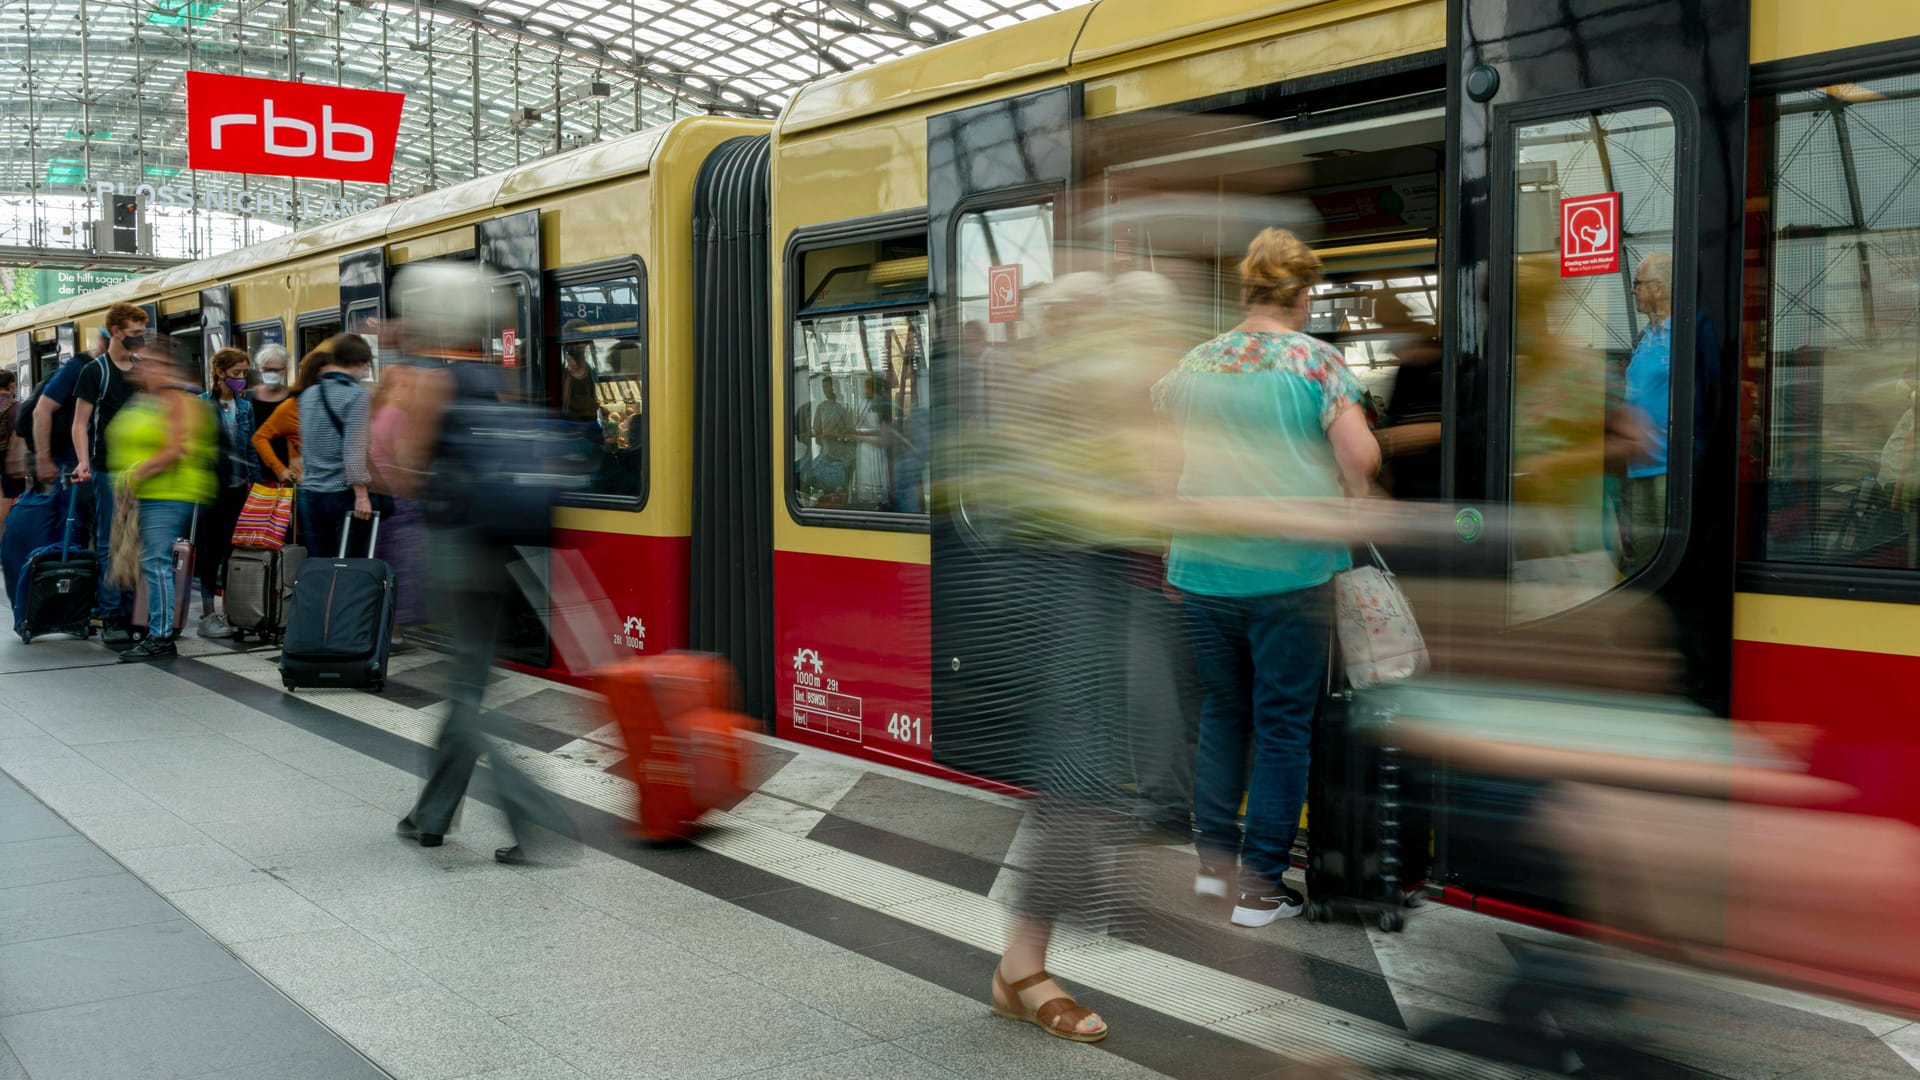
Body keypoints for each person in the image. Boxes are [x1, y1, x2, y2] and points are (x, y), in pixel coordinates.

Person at [1153, 227, 1379, 927]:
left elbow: (1160, 455)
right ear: (1302, 294)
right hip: (1290, 570)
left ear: (1247, 290)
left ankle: (1214, 875)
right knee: (1284, 726)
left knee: (1224, 716)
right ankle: (1260, 887)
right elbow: (1361, 458)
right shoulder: (1318, 364)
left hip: (1203, 571)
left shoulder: (1196, 363)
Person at [390, 261, 572, 865]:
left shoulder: (427, 380)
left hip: (455, 548)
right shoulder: (489, 374)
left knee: (467, 699)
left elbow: (402, 469)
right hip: (500, 546)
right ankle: (431, 816)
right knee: (467, 684)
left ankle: (535, 816)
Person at [110, 338, 217, 662]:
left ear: (167, 367)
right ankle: (156, 629)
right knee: (151, 562)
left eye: (149, 362)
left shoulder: (175, 401)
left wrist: (134, 476)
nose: (141, 367)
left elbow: (175, 450)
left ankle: (160, 636)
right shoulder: (148, 399)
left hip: (169, 491)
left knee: (156, 562)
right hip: (151, 491)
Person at [68, 304, 148, 643]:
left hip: (141, 469)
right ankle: (111, 613)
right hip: (105, 468)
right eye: (134, 334)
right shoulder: (95, 372)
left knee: (137, 540)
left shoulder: (142, 370)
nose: (139, 340)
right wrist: (83, 461)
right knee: (109, 541)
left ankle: (134, 610)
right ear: (115, 331)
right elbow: (80, 423)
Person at [192, 347, 257, 638]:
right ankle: (208, 614)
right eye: (236, 374)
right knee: (211, 552)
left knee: (233, 550)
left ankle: (231, 612)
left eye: (244, 373)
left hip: (238, 488)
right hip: (210, 489)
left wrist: (254, 481)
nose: (241, 379)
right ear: (220, 373)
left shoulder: (245, 408)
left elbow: (252, 447)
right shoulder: (201, 405)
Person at [293, 335, 374, 559]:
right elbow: (353, 447)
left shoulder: (308, 395)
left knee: (320, 561)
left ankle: (321, 595)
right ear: (358, 362)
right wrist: (361, 494)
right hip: (341, 493)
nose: (365, 372)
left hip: (310, 492)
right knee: (348, 563)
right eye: (365, 365)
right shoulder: (356, 395)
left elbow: (306, 445)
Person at [1620, 252, 1674, 574]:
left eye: (1638, 283)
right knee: (1643, 561)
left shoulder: (1681, 338)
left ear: (1660, 288)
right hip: (1639, 466)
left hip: (1668, 468)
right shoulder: (1646, 338)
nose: (1633, 290)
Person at [250, 343, 332, 489]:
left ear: (285, 371)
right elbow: (258, 437)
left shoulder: (295, 397)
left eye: (276, 370)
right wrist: (279, 469)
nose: (271, 373)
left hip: (306, 478)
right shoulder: (290, 404)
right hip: (263, 472)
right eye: (267, 369)